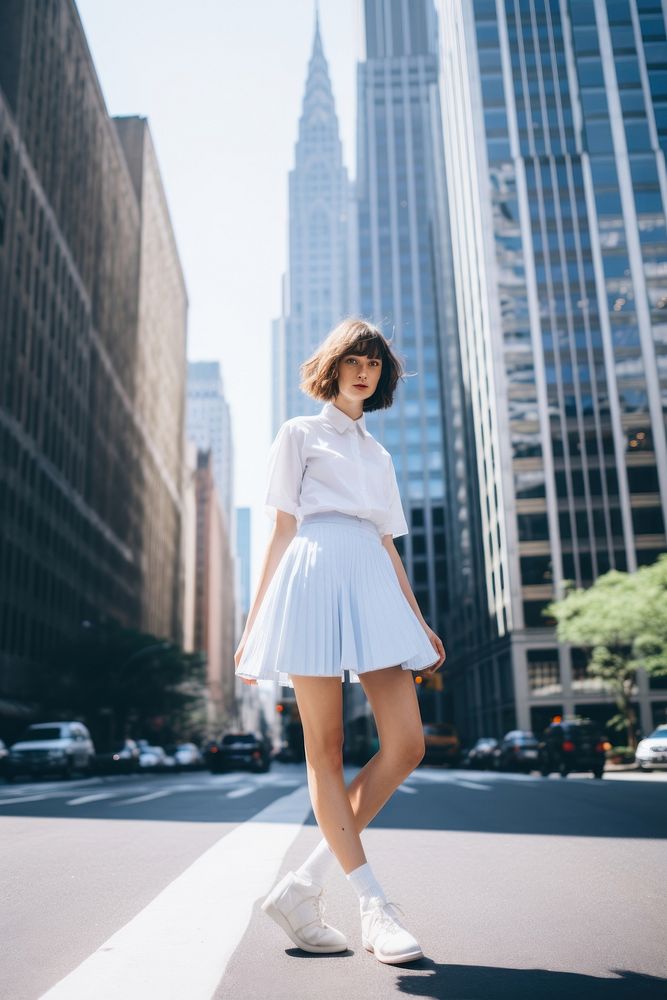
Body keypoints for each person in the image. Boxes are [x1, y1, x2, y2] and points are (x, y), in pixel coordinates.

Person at [234, 318, 446, 965]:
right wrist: (252, 627)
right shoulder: (297, 434)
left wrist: (417, 619)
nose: (363, 372)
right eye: (354, 360)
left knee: (406, 744)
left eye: (374, 364)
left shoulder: (377, 455)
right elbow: (279, 530)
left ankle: (302, 887)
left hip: (371, 582)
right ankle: (373, 906)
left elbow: (386, 542)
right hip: (311, 579)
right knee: (323, 751)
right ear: (333, 365)